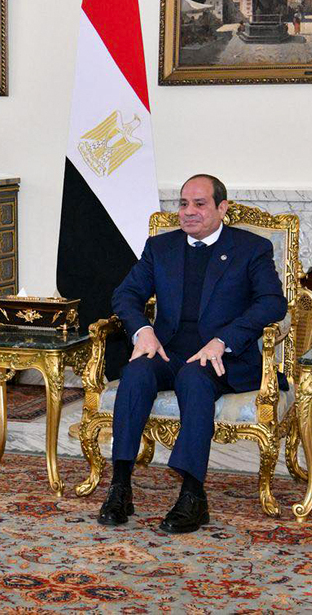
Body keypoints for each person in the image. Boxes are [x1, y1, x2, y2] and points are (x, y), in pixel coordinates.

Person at [97, 175, 287, 534]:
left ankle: (192, 494)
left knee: (194, 377)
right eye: (183, 204)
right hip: (168, 349)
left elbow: (272, 302)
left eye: (199, 204)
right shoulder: (161, 247)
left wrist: (224, 340)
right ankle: (120, 486)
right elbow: (125, 295)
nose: (189, 212)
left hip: (222, 356)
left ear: (222, 208)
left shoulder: (251, 248)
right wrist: (144, 331)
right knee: (135, 373)